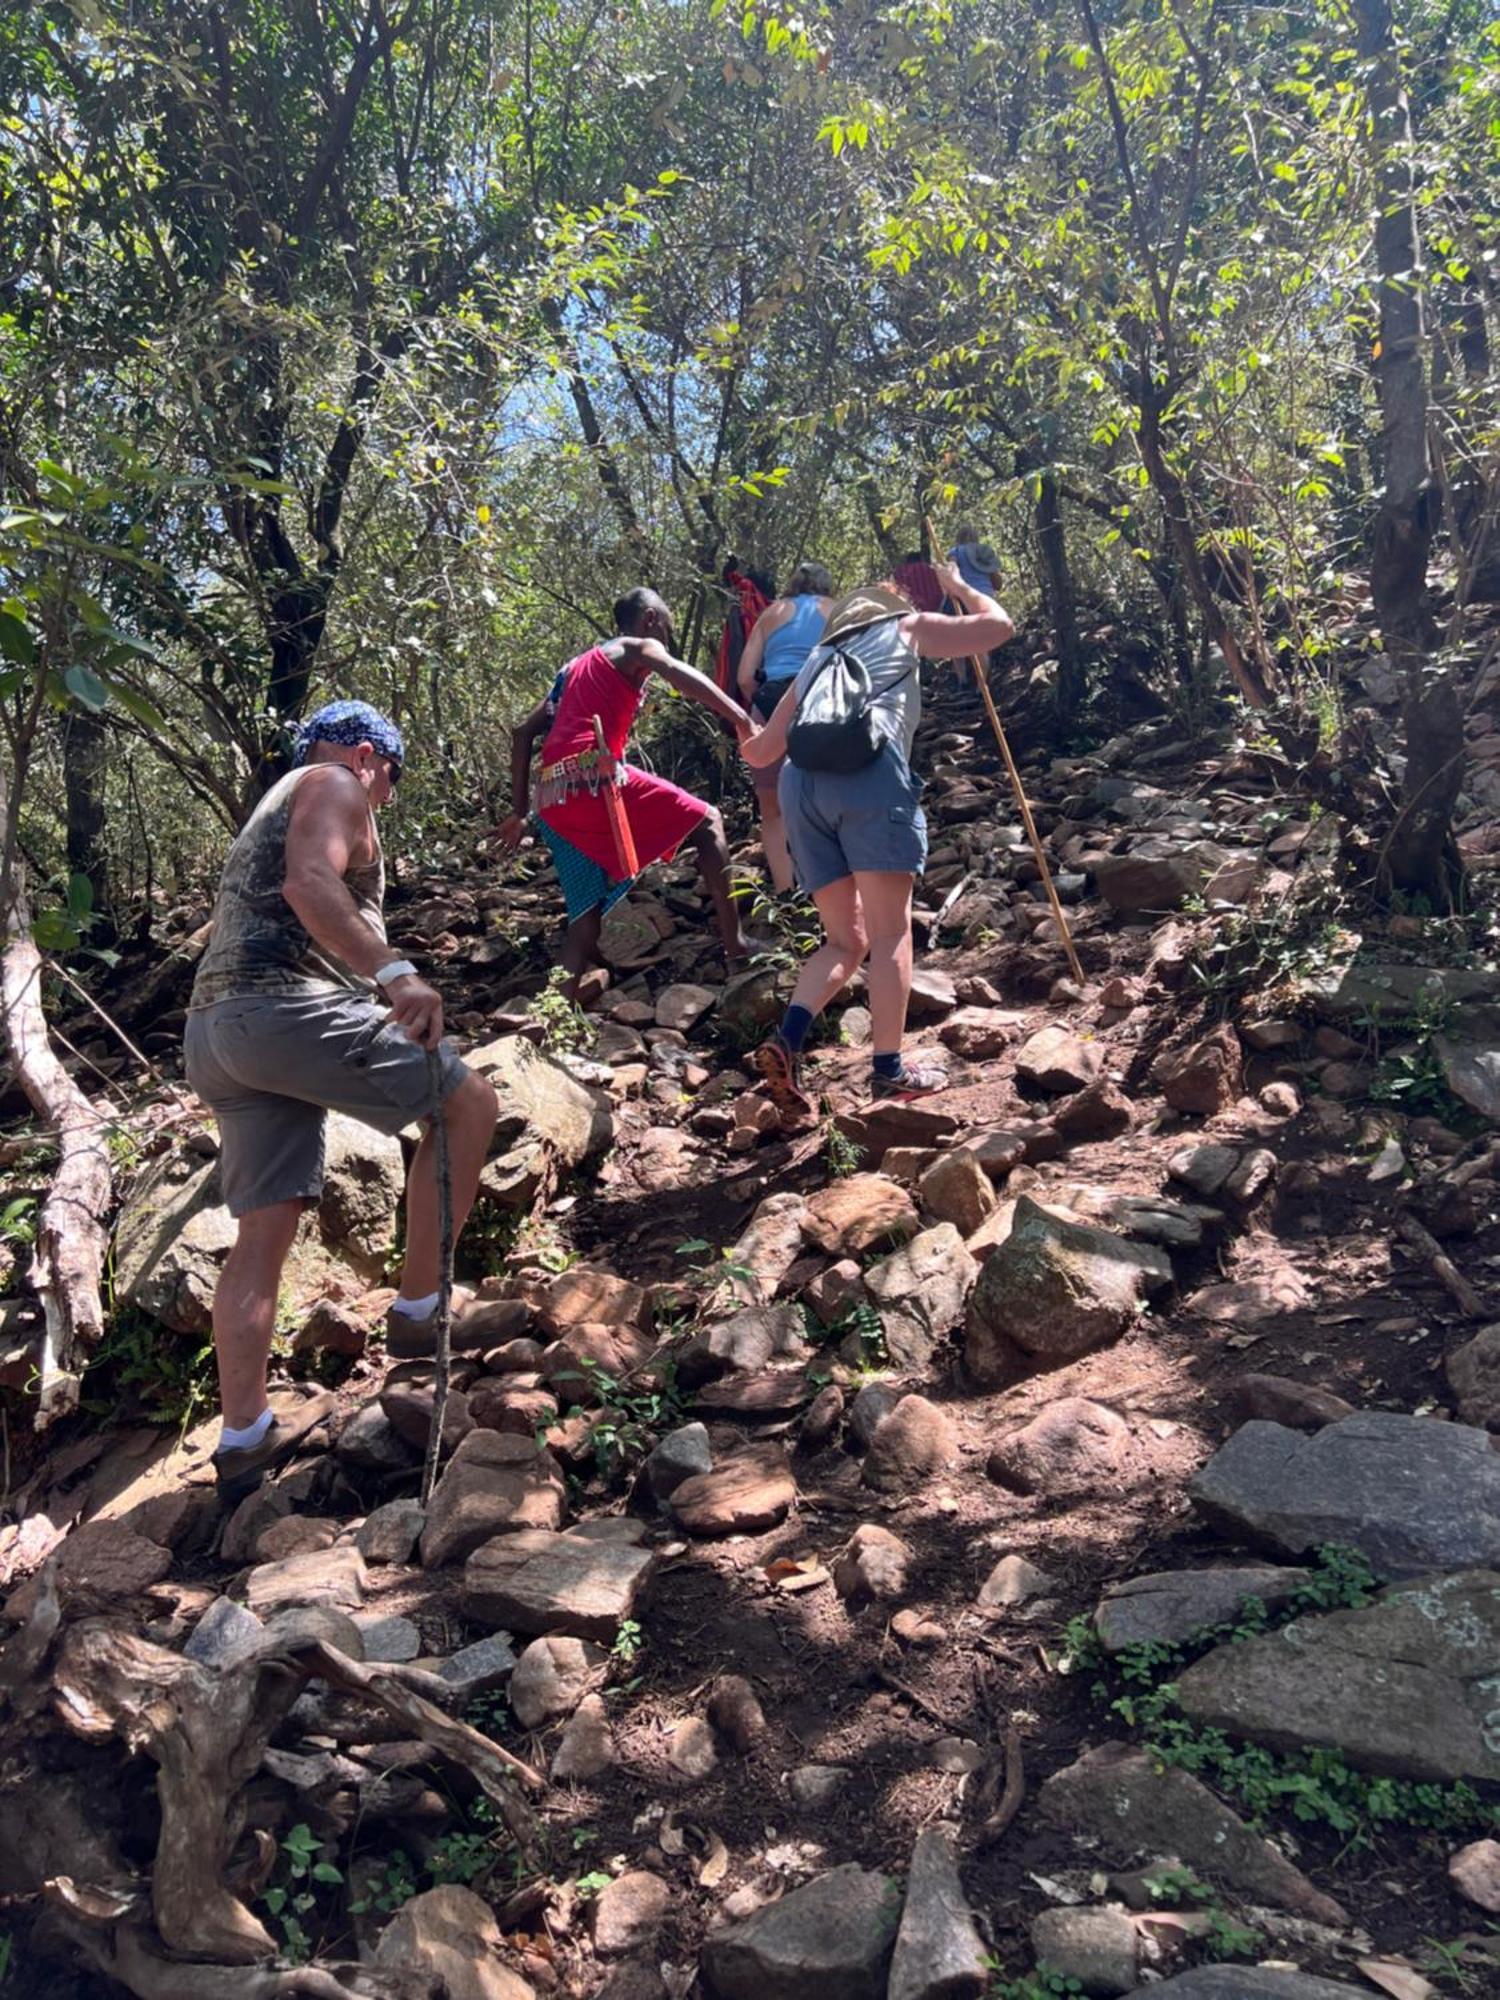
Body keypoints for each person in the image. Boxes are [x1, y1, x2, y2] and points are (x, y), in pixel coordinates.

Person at [185, 700, 500, 1499]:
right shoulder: (333, 781)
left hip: (214, 1031)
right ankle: (421, 1310)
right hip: (279, 1008)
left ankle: (244, 1440)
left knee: (263, 1231)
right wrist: (395, 974)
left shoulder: (280, 793)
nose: (382, 800)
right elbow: (308, 881)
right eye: (389, 781)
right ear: (370, 756)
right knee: (469, 1108)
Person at [739, 563, 1014, 1113]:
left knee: (847, 939)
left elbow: (761, 754)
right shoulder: (904, 627)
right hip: (868, 771)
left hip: (801, 788)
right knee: (890, 933)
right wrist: (959, 588)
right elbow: (999, 627)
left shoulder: (818, 659)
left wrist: (736, 717)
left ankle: (786, 1040)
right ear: (890, 607)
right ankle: (890, 1069)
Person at [500, 588, 760, 993]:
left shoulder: (571, 671)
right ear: (651, 618)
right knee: (708, 822)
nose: (667, 634)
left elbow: (521, 734)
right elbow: (675, 671)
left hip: (551, 797)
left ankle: (548, 1021)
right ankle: (736, 944)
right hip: (593, 778)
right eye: (667, 624)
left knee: (585, 914)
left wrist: (518, 813)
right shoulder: (638, 646)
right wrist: (740, 716)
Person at [735, 561, 835, 892]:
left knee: (771, 807)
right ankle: (831, 884)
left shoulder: (770, 614)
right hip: (819, 698)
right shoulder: (834, 609)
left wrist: (764, 706)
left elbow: (744, 678)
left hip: (770, 703)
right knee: (827, 793)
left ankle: (784, 891)